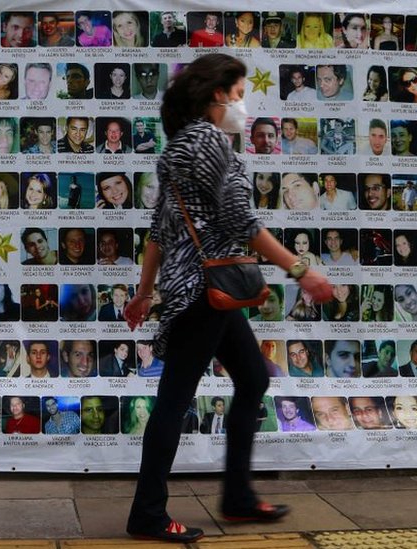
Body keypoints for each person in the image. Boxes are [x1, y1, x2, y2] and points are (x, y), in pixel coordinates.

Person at [122, 53, 334, 542]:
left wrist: (144, 292)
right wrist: (302, 270)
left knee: (253, 377)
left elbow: (160, 229)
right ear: (218, 94)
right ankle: (148, 514)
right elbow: (242, 222)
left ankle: (237, 497)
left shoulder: (178, 146)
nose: (243, 103)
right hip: (205, 290)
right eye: (239, 93)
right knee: (173, 402)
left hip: (200, 289)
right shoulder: (210, 142)